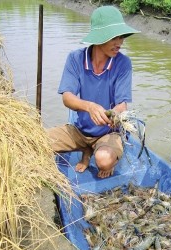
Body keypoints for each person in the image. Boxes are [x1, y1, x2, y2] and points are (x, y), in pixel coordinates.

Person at [47, 6, 140, 178]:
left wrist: (114, 114)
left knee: (104, 160)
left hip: (107, 133)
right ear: (99, 38)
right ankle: (86, 148)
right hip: (80, 130)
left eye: (122, 37)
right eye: (114, 37)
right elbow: (67, 98)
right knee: (37, 141)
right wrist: (89, 107)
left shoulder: (123, 64)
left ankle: (99, 151)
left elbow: (122, 104)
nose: (120, 42)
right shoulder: (75, 58)